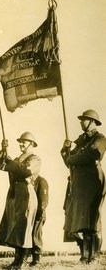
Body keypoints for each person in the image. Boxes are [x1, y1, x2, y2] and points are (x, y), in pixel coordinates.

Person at [61, 109, 106, 264]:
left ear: (92, 122)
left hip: (93, 182)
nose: (81, 122)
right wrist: (65, 150)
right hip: (80, 183)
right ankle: (85, 256)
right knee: (84, 222)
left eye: (84, 120)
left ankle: (95, 257)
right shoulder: (80, 141)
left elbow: (91, 155)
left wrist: (72, 157)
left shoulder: (100, 138)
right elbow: (69, 161)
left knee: (93, 219)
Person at [0, 132, 41, 270]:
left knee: (24, 228)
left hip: (26, 194)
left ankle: (23, 261)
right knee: (15, 228)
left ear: (31, 144)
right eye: (20, 142)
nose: (21, 144)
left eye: (24, 142)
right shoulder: (16, 159)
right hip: (15, 195)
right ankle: (16, 261)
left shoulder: (35, 159)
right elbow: (2, 166)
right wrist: (2, 151)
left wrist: (11, 162)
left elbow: (26, 171)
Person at [30, 175, 49, 266]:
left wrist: (41, 210)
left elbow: (44, 199)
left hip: (38, 213)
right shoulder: (29, 181)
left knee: (36, 235)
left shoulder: (41, 181)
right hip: (29, 214)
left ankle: (37, 259)